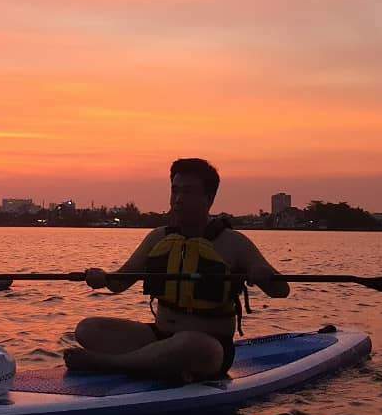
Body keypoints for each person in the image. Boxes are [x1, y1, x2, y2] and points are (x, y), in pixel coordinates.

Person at [64, 158, 290, 383]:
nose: (178, 199)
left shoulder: (234, 243)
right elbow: (119, 282)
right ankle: (156, 363)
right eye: (175, 191)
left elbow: (281, 290)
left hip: (207, 347)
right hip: (159, 337)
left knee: (189, 344)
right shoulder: (158, 237)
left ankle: (109, 364)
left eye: (189, 192)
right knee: (87, 329)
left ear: (208, 199)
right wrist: (102, 277)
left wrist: (262, 274)